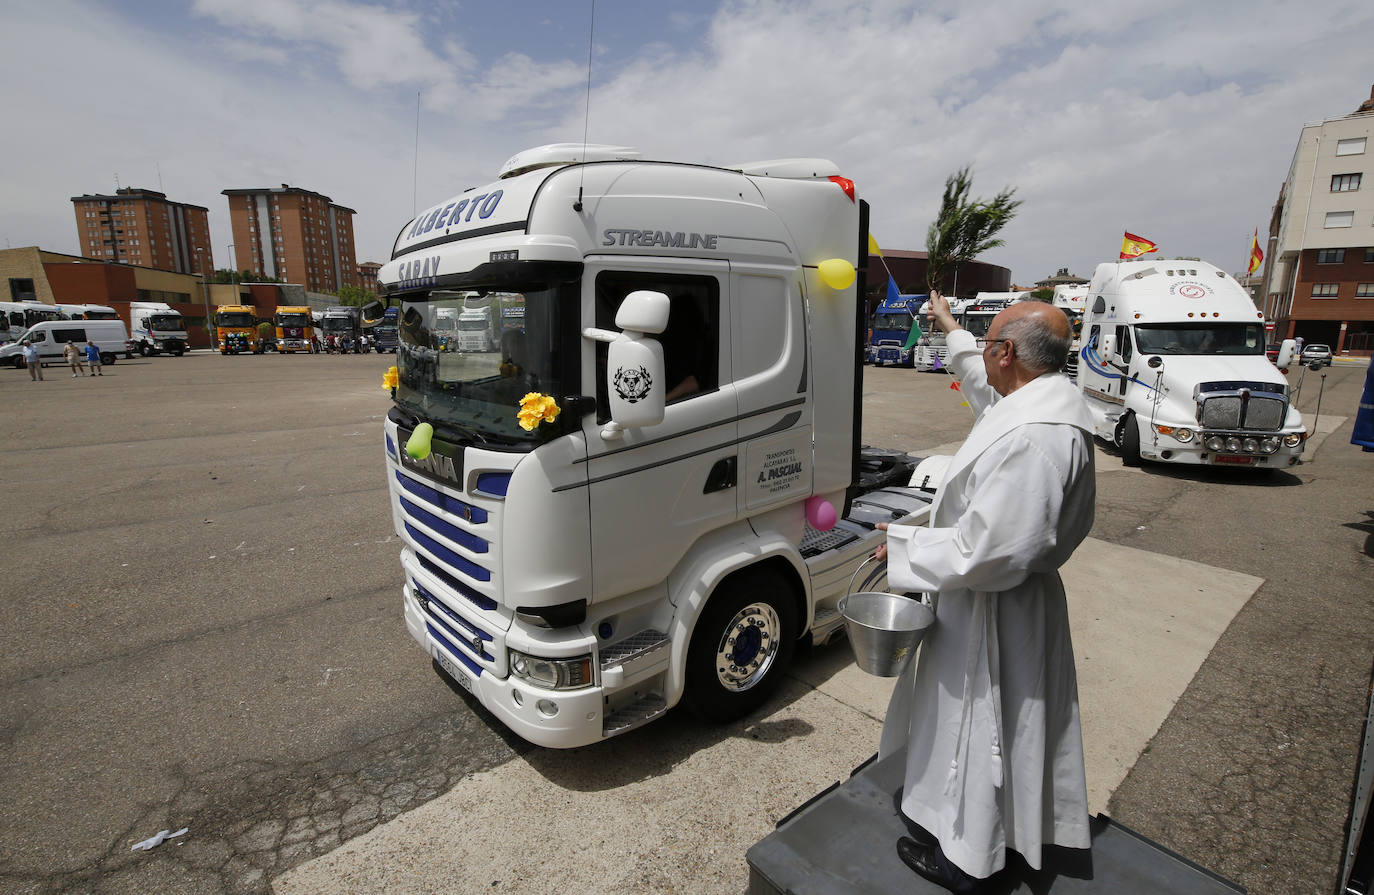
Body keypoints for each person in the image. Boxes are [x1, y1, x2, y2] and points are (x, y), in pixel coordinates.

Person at [872, 291, 1095, 892]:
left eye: (987, 336)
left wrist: (904, 545)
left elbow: (992, 551)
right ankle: (971, 828)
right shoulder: (1036, 400)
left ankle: (968, 860)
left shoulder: (1035, 438)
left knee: (981, 732)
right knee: (988, 729)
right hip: (1000, 600)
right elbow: (983, 388)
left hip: (995, 608)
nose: (984, 348)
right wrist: (948, 327)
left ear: (1007, 351)